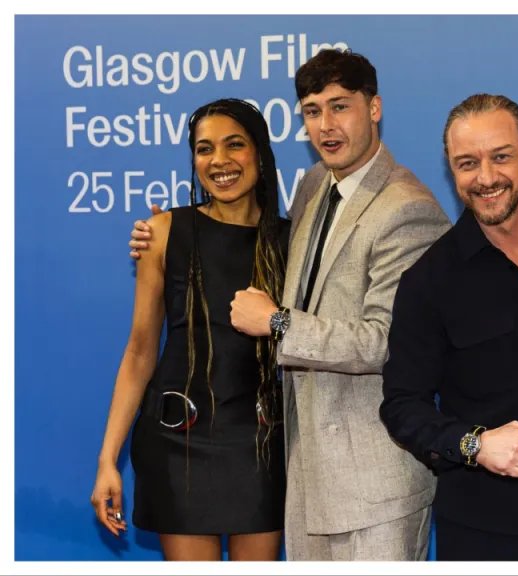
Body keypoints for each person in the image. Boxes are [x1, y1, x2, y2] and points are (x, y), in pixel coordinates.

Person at [131, 49, 450, 561]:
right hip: (304, 474)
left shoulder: (407, 208)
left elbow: (385, 342)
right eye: (312, 111)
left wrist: (277, 322)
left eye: (340, 107)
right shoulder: (315, 184)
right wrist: (168, 234)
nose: (326, 125)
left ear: (374, 108)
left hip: (373, 484)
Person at [379, 94, 518, 561]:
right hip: (484, 529)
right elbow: (402, 405)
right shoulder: (428, 280)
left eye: (501, 157)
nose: (485, 178)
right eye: (467, 163)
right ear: (451, 168)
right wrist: (474, 444)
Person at [90, 98, 289, 560]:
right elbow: (140, 351)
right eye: (204, 149)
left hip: (260, 444)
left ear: (260, 153)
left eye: (234, 145)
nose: (219, 161)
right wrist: (107, 459)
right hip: (178, 442)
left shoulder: (290, 239)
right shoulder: (163, 232)